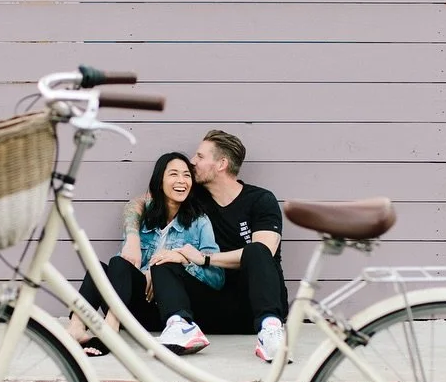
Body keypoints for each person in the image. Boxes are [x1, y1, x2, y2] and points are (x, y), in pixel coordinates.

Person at [124, 130, 289, 361]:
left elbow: (265, 250)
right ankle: (181, 327)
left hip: (253, 307)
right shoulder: (194, 197)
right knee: (167, 260)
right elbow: (140, 203)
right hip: (211, 304)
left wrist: (203, 258)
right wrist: (132, 237)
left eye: (200, 156)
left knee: (256, 250)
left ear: (221, 164)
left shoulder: (260, 200)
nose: (192, 162)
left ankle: (270, 333)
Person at [66, 152, 224, 356]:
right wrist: (145, 271)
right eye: (174, 174)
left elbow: (217, 277)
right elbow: (120, 271)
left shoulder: (199, 222)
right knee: (104, 267)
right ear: (160, 181)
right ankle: (76, 328)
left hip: (166, 311)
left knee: (139, 265)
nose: (181, 181)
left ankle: (110, 331)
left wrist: (179, 261)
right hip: (133, 306)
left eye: (187, 175)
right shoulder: (143, 219)